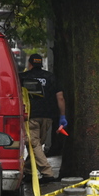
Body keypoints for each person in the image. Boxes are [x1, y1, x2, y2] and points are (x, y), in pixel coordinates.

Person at [19, 54, 67, 183]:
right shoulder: (51, 77)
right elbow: (60, 97)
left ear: (29, 64)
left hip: (31, 116)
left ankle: (48, 173)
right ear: (42, 64)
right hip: (48, 117)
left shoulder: (23, 77)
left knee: (34, 145)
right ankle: (28, 172)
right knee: (36, 145)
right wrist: (62, 116)